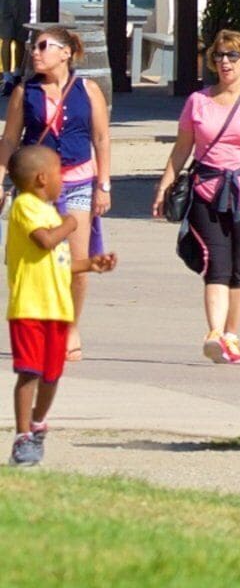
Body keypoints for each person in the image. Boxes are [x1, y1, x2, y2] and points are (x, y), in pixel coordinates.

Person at [153, 28, 240, 363]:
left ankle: (231, 335)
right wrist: (164, 185)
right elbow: (182, 150)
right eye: (219, 56)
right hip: (206, 192)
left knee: (238, 267)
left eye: (232, 56)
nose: (224, 62)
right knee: (215, 261)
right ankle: (214, 334)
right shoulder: (198, 102)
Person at [10, 141, 109, 466]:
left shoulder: (50, 211)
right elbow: (45, 241)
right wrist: (70, 224)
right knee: (30, 372)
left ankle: (39, 423)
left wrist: (90, 264)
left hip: (57, 309)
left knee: (52, 374)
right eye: (57, 175)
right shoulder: (24, 205)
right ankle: (23, 435)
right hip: (30, 307)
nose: (61, 182)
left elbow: (59, 260)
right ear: (41, 179)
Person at [2, 27, 111, 269]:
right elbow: (9, 139)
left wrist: (103, 185)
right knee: (34, 260)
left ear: (65, 52)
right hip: (34, 185)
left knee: (77, 263)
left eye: (42, 46)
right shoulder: (24, 92)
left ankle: (71, 309)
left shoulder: (88, 90)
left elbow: (102, 138)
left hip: (78, 182)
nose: (35, 53)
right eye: (33, 48)